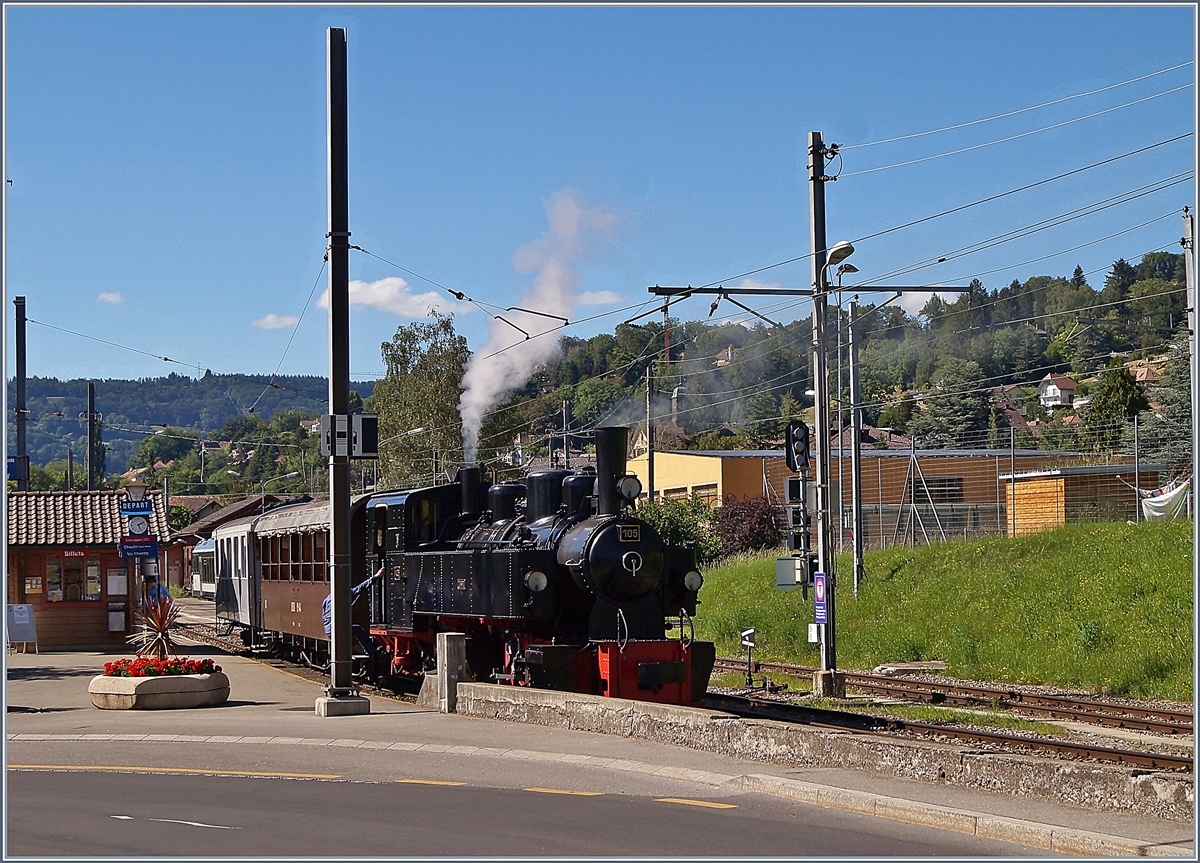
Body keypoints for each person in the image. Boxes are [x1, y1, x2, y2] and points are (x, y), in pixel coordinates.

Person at [322, 565, 384, 658]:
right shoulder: (345, 594)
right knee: (358, 629)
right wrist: (376, 576)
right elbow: (361, 587)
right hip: (337, 629)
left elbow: (324, 615)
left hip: (328, 629)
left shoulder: (327, 599)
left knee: (354, 628)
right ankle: (372, 653)